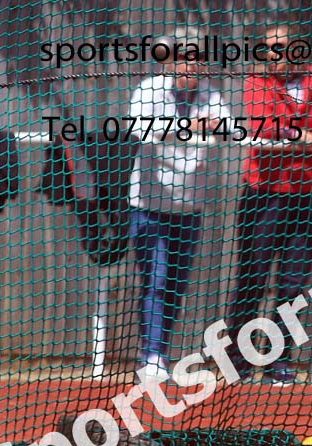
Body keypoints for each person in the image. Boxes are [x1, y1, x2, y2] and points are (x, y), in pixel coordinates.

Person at [227, 22, 312, 386]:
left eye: (284, 48)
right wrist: (304, 134)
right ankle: (239, 361)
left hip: (307, 196)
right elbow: (261, 126)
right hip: (264, 194)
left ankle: (279, 360)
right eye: (271, 49)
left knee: (293, 284)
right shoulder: (256, 80)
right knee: (253, 278)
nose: (276, 56)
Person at [127, 27, 231, 381]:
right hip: (148, 204)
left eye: (196, 57)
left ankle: (160, 350)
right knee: (155, 279)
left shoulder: (210, 95)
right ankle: (152, 354)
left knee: (176, 283)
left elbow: (230, 128)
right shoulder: (149, 89)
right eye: (182, 56)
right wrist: (189, 124)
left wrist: (213, 126)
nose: (189, 64)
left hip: (190, 207)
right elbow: (140, 129)